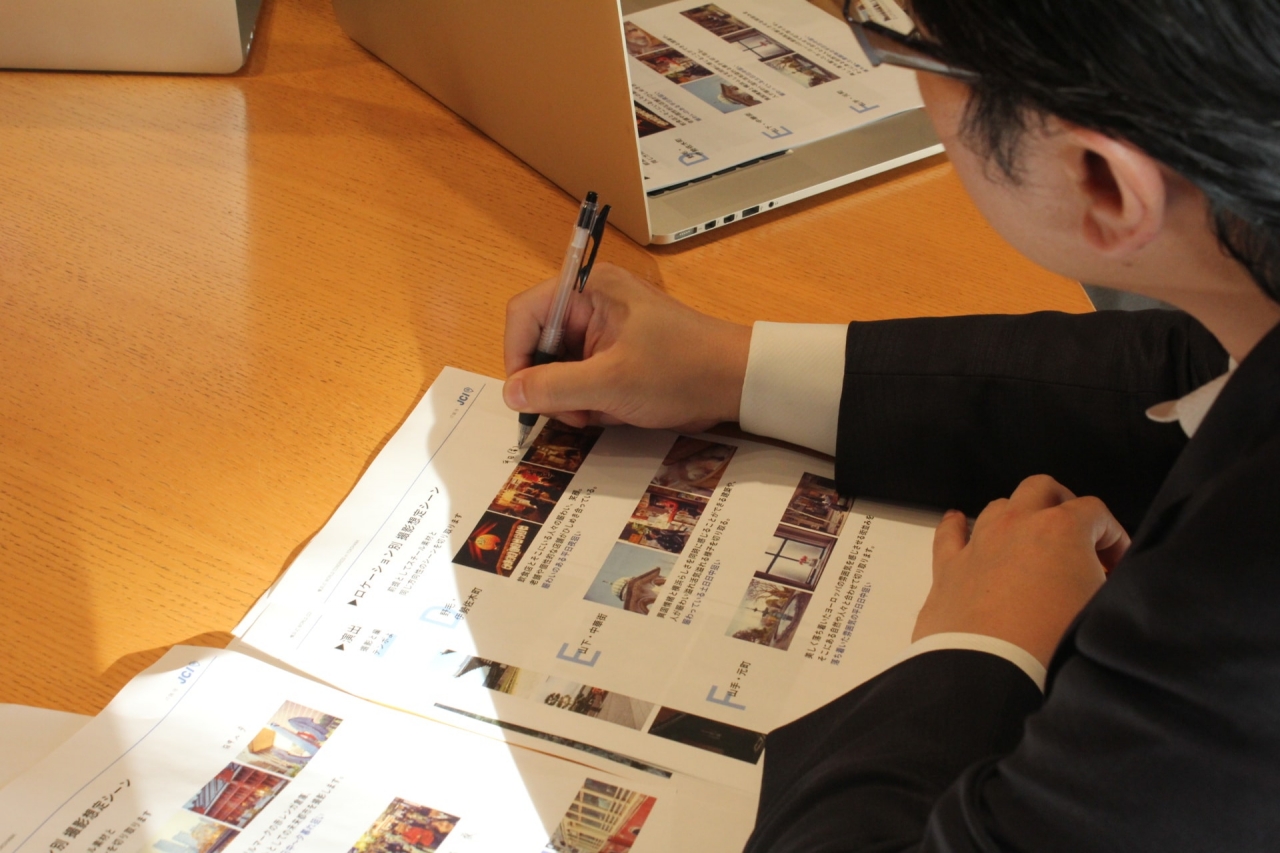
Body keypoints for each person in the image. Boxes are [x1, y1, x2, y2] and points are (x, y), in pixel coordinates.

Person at [502, 0, 1280, 848]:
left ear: (1101, 180)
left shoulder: (1231, 621)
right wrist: (731, 365)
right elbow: (1179, 372)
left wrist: (984, 651)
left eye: (909, 39)